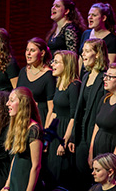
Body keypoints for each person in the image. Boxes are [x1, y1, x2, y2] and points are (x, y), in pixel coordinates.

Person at [68, 38, 109, 191]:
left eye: (87, 51)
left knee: (93, 177)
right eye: (82, 51)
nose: (82, 54)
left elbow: (103, 109)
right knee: (79, 175)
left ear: (97, 54)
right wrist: (73, 135)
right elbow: (79, 109)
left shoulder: (105, 77)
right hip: (81, 134)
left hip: (95, 133)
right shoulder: (85, 76)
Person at [46, 50, 81, 190]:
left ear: (67, 65)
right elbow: (54, 113)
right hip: (56, 132)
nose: (52, 65)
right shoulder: (59, 83)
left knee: (62, 176)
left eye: (57, 62)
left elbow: (74, 116)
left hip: (64, 133)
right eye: (53, 61)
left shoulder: (74, 86)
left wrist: (64, 141)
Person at [2, 87, 43, 191]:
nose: (7, 104)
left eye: (11, 100)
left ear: (22, 103)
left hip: (26, 182)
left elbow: (36, 166)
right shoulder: (18, 127)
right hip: (15, 180)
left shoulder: (34, 130)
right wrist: (7, 185)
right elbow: (15, 158)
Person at [17, 37, 56, 127]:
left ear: (42, 53)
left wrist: (46, 130)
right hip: (22, 118)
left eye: (32, 50)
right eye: (27, 50)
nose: (28, 54)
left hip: (39, 119)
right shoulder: (23, 71)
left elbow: (51, 108)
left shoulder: (48, 75)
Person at [88, 63, 116, 167]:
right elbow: (97, 125)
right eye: (106, 75)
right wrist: (91, 151)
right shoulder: (105, 99)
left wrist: (112, 162)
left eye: (110, 77)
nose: (105, 79)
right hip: (98, 150)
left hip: (110, 153)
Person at [79, 3, 116, 78]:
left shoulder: (112, 40)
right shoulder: (86, 34)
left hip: (99, 78)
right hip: (84, 77)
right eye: (89, 15)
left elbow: (109, 65)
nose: (90, 17)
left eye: (94, 15)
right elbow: (80, 59)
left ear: (104, 18)